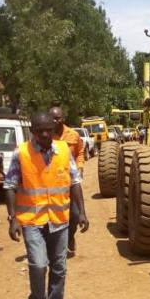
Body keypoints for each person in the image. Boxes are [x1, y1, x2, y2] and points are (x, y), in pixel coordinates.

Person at [4, 112, 89, 299]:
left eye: (48, 130)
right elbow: (10, 186)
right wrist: (13, 218)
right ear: (32, 131)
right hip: (32, 220)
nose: (44, 134)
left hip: (59, 219)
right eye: (39, 130)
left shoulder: (62, 150)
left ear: (54, 129)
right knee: (38, 264)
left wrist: (82, 213)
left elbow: (74, 182)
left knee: (59, 266)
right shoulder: (21, 153)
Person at [49, 107, 85, 258]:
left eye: (58, 118)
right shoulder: (46, 135)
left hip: (70, 181)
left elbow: (80, 153)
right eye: (52, 118)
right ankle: (56, 245)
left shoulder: (73, 135)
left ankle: (70, 236)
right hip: (52, 184)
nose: (55, 121)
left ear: (63, 119)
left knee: (75, 214)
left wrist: (80, 166)